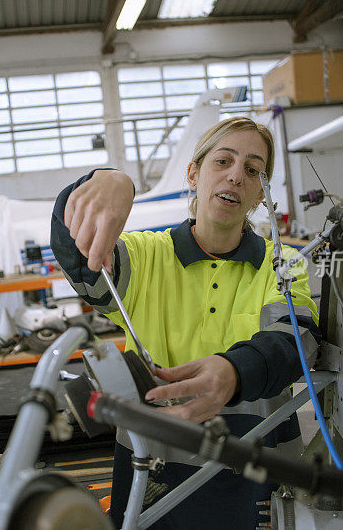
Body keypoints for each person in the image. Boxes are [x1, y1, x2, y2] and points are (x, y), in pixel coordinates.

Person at [51, 116, 321, 529]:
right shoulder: (144, 257)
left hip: (257, 467)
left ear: (261, 194)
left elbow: (295, 339)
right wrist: (109, 180)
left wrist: (235, 372)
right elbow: (80, 255)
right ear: (193, 174)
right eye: (223, 161)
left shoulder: (281, 265)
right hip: (154, 470)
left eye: (252, 170)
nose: (235, 176)